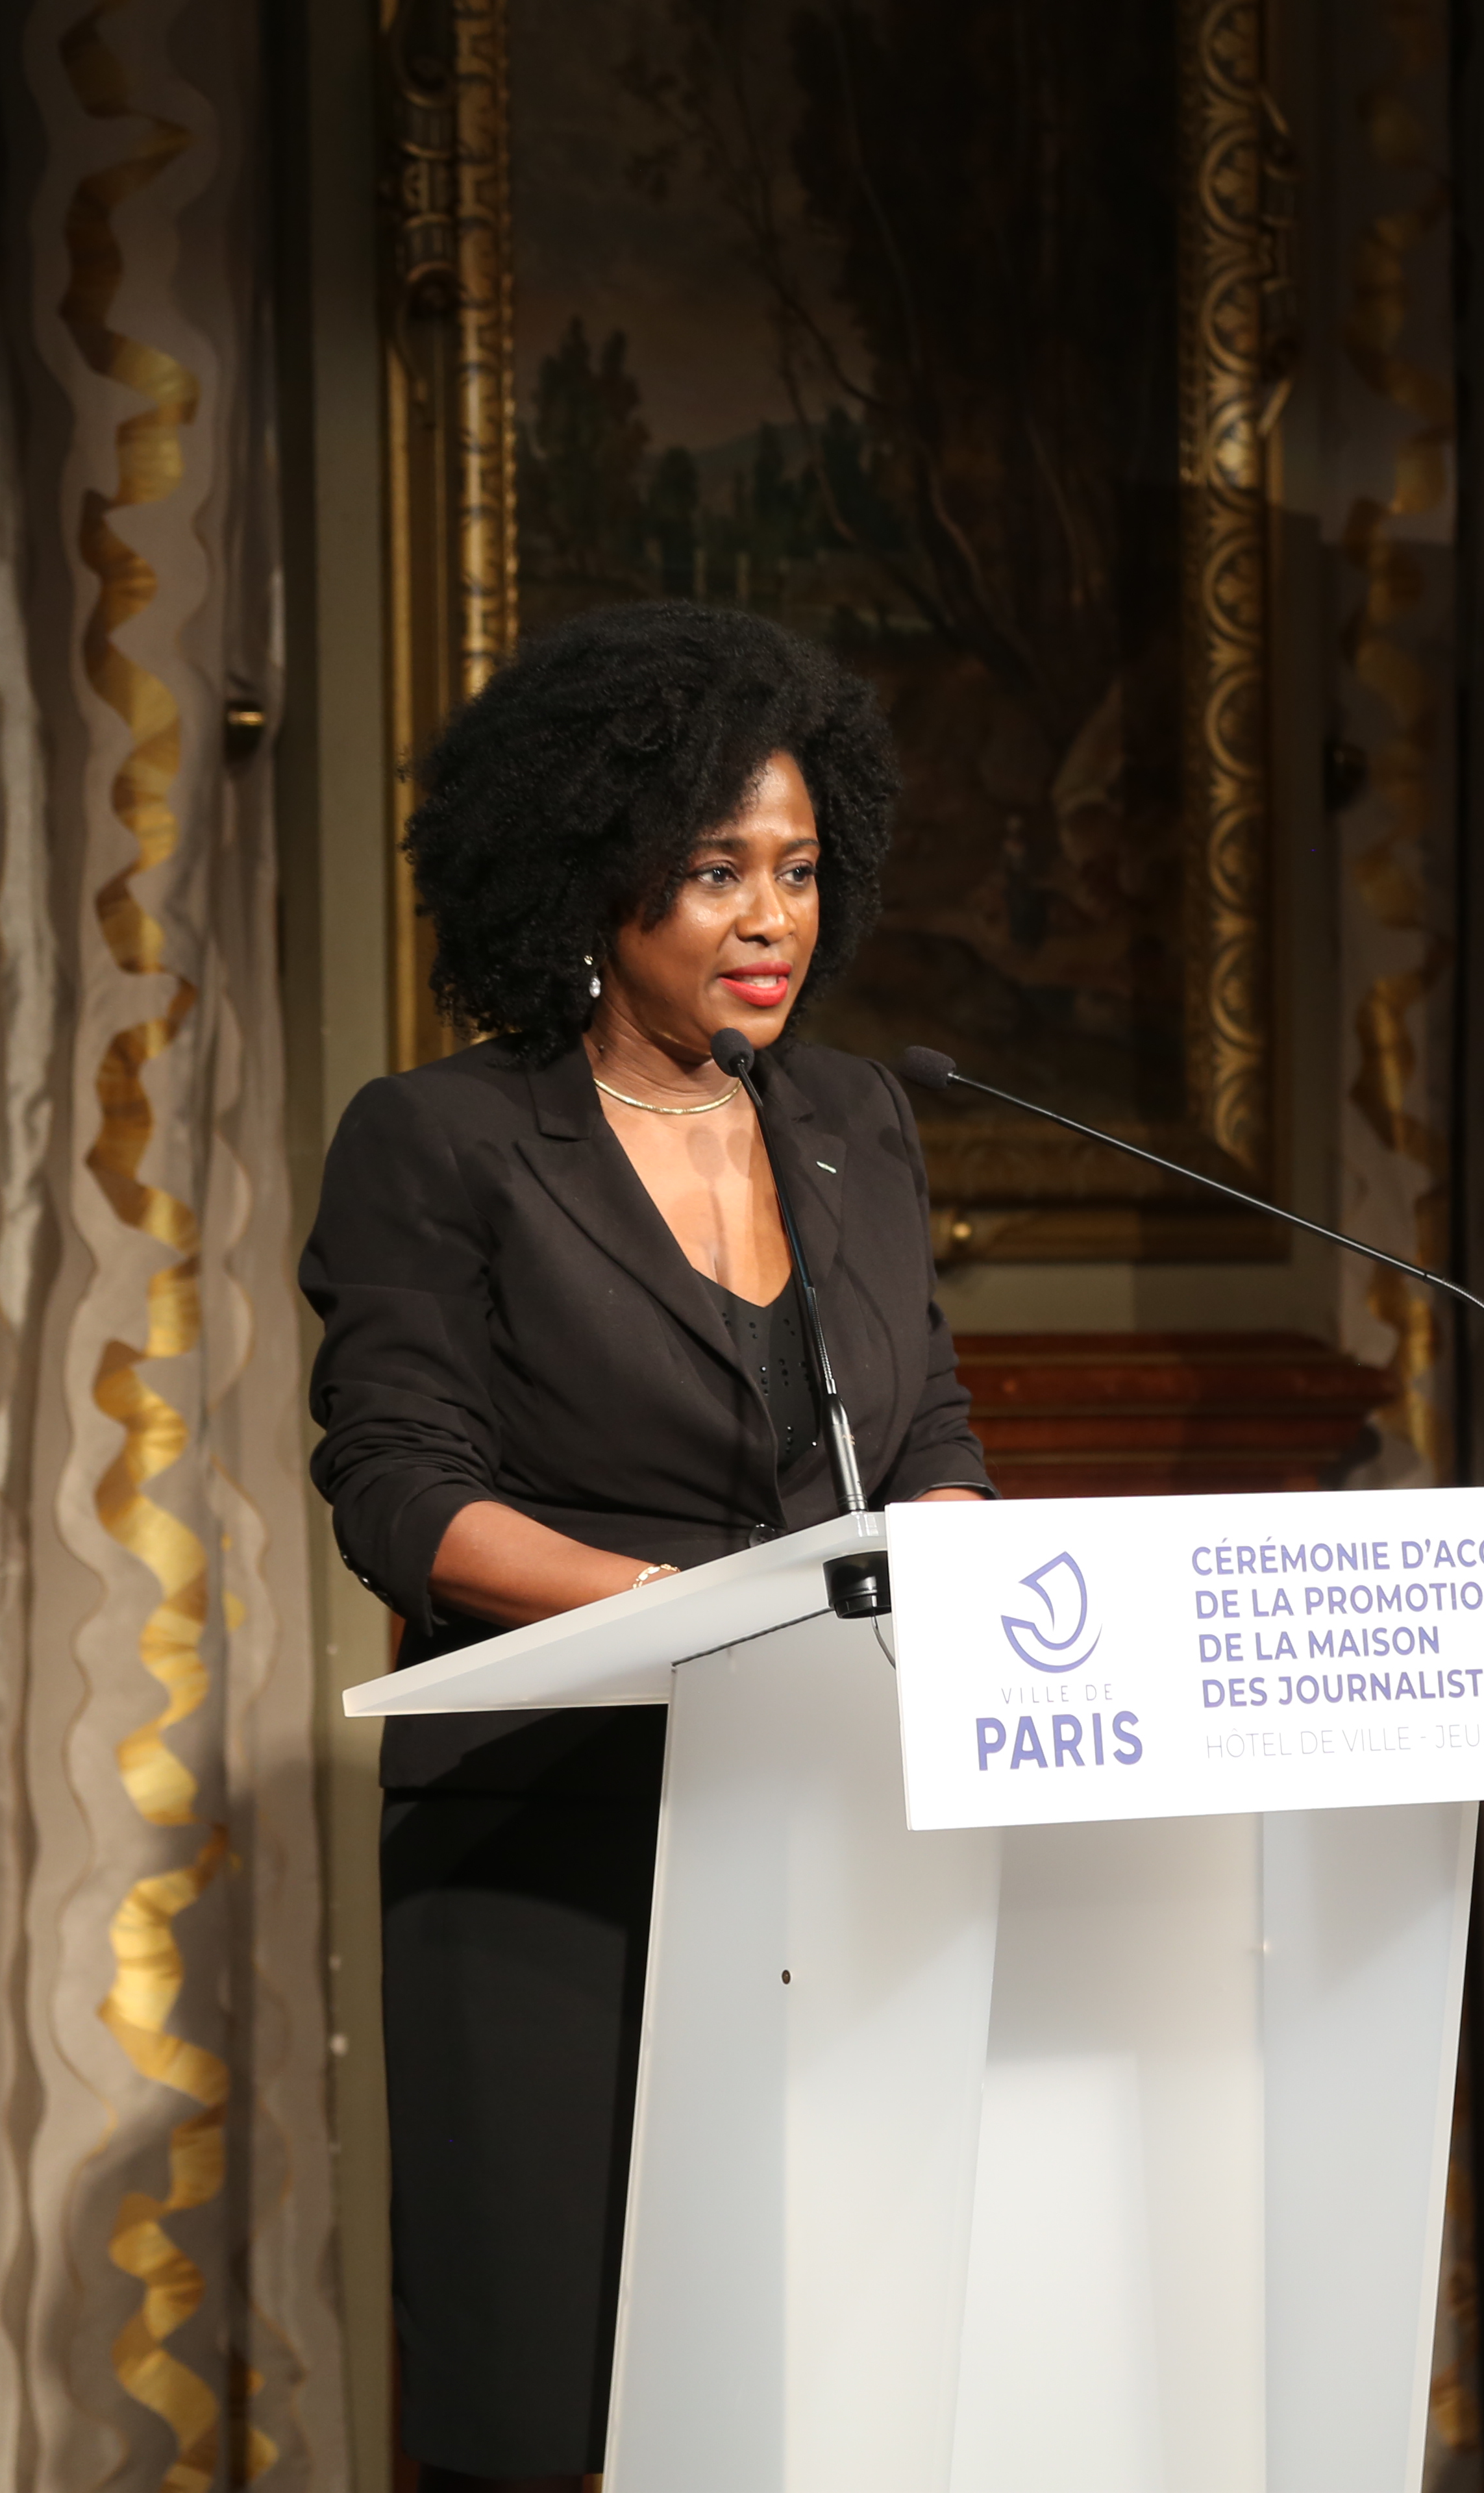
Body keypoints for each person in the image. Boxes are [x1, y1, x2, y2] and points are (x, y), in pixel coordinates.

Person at [302, 602, 994, 2489]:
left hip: (827, 1821)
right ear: (592, 878)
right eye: (713, 872)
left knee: (812, 2378)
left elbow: (926, 1426)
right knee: (552, 2401)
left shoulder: (851, 1117)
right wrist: (685, 1612)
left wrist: (945, 1560)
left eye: (798, 870)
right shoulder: (441, 1138)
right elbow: (400, 1487)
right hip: (555, 1824)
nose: (770, 918)